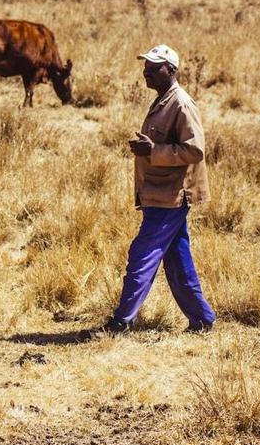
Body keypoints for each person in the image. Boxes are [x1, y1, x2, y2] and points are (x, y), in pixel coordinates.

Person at [84, 44, 216, 338]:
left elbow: (195, 150)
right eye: (146, 66)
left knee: (142, 254)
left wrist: (152, 150)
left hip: (171, 196)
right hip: (158, 193)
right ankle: (203, 319)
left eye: (153, 67)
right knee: (178, 260)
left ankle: (121, 322)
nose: (146, 71)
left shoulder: (181, 104)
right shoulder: (163, 100)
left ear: (170, 70)